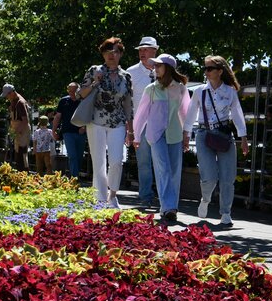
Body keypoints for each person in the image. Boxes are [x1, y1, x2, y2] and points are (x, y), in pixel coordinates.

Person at [185, 55, 248, 229]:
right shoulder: (200, 91)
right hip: (204, 134)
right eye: (205, 68)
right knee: (209, 176)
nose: (206, 71)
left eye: (210, 68)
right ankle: (205, 199)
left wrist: (243, 137)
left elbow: (237, 114)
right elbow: (191, 113)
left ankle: (225, 213)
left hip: (224, 135)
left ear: (220, 71)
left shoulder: (230, 91)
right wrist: (186, 134)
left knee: (228, 177)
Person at [132, 53, 190, 222]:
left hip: (175, 135)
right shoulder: (151, 89)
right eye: (155, 66)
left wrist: (187, 134)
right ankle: (168, 207)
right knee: (163, 168)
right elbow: (141, 114)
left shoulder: (180, 88)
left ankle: (169, 206)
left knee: (174, 171)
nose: (155, 68)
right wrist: (136, 135)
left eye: (158, 65)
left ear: (168, 68)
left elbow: (185, 113)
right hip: (155, 135)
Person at [78, 37, 134, 208]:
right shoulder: (94, 70)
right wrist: (96, 82)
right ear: (102, 53)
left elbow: (128, 103)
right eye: (108, 51)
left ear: (121, 54)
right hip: (96, 121)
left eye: (116, 51)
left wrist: (130, 130)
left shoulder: (126, 76)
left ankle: (113, 194)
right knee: (99, 161)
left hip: (117, 122)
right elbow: (82, 93)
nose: (112, 54)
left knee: (117, 160)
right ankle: (101, 199)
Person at [125, 36, 161, 206]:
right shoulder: (130, 72)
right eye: (140, 50)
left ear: (155, 50)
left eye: (146, 49)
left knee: (162, 162)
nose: (142, 52)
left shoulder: (164, 71)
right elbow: (126, 102)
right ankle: (146, 197)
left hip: (162, 124)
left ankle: (165, 198)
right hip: (141, 125)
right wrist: (129, 128)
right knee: (144, 162)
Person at [52, 82, 86, 181]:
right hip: (67, 132)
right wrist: (53, 130)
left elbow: (88, 114)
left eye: (74, 91)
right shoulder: (63, 101)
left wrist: (84, 127)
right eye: (70, 91)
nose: (71, 93)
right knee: (72, 156)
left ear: (78, 90)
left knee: (79, 156)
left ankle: (75, 174)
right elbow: (58, 116)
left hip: (81, 132)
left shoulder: (83, 100)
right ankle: (74, 178)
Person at [1, 83, 31, 171]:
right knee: (17, 154)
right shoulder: (14, 101)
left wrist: (15, 132)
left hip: (22, 131)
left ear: (12, 93)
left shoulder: (20, 103)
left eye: (7, 95)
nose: (7, 98)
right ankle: (20, 172)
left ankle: (24, 173)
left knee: (22, 154)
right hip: (17, 131)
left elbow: (25, 121)